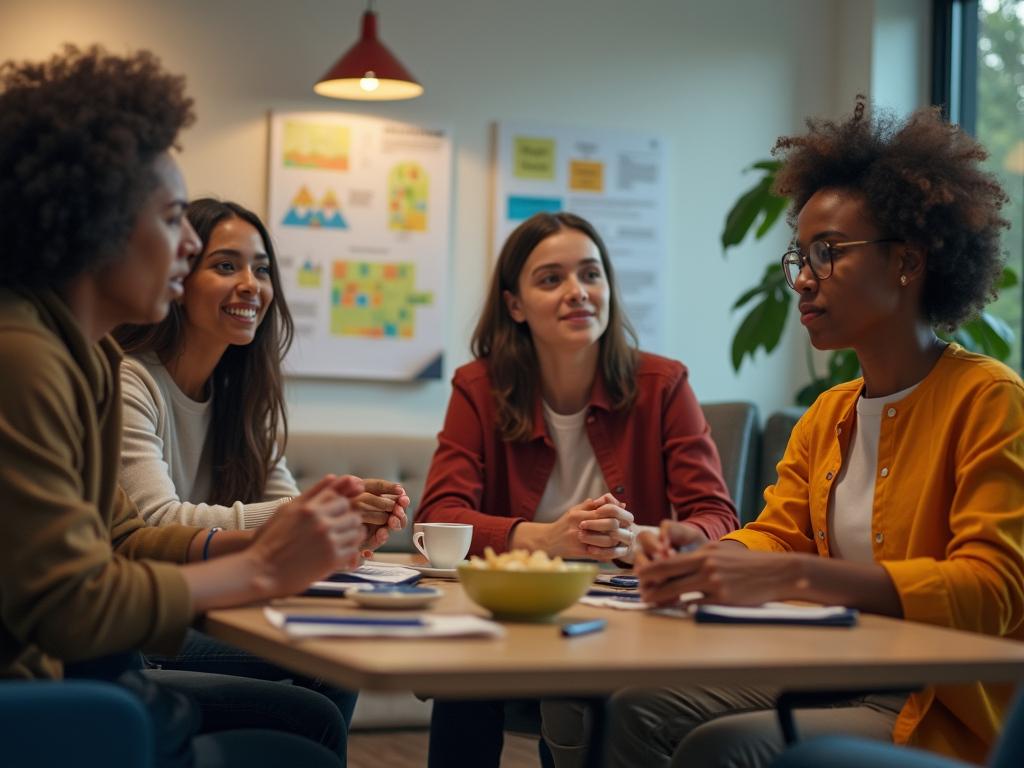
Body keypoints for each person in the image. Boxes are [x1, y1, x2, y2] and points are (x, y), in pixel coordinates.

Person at [546, 99, 1024, 768]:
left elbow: (995, 590)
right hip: (836, 672)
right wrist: (703, 552)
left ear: (908, 261)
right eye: (799, 256)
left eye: (828, 255)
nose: (802, 279)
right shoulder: (829, 413)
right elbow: (777, 536)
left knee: (717, 746)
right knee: (607, 698)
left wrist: (802, 576)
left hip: (935, 704)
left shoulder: (989, 400)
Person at [0, 45, 369, 768]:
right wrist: (261, 569)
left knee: (313, 717)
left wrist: (273, 547)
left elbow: (128, 539)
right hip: (43, 696)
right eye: (174, 219)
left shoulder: (89, 357)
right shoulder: (23, 357)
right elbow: (73, 607)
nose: (193, 244)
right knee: (308, 749)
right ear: (97, 221)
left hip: (89, 675)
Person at [417, 211, 739, 768]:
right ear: (514, 304)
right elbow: (438, 516)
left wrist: (636, 540)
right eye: (551, 279)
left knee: (579, 692)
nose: (577, 293)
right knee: (462, 668)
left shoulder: (663, 384)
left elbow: (718, 517)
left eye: (591, 275)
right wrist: (547, 539)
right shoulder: (479, 388)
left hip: (625, 616)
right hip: (517, 612)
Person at [111, 198, 409, 737]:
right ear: (179, 276)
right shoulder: (131, 380)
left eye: (262, 269)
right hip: (149, 617)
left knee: (335, 652)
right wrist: (307, 514)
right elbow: (157, 520)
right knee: (326, 671)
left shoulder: (245, 393)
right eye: (226, 266)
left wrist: (344, 523)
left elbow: (282, 501)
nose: (252, 284)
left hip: (216, 603)